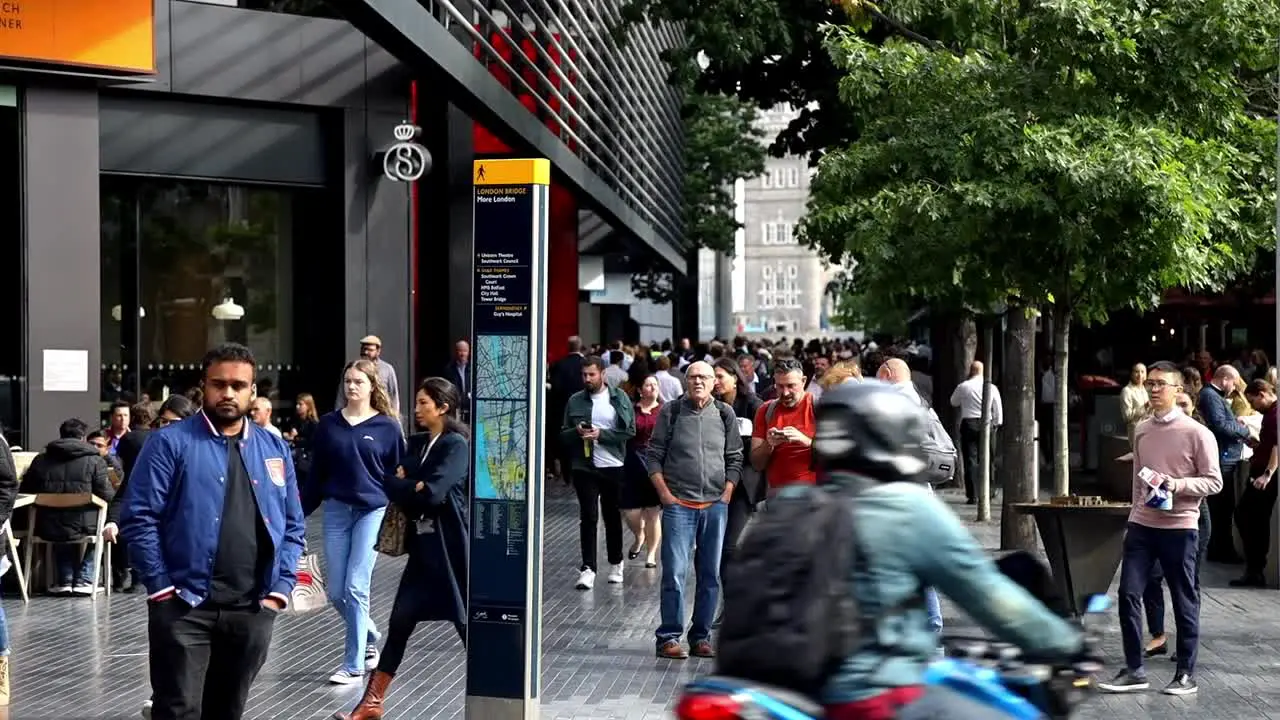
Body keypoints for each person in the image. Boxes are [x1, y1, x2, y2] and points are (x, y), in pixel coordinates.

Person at [809, 381, 1084, 718]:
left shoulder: (792, 504)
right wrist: (1067, 642)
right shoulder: (905, 508)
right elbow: (989, 594)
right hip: (874, 695)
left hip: (793, 695)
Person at [120, 342, 306, 720]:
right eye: (219, 384)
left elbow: (292, 525)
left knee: (228, 710)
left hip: (252, 609)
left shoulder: (273, 447)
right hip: (184, 606)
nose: (228, 393)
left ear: (252, 391)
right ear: (203, 386)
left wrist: (280, 590)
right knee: (178, 710)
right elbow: (139, 517)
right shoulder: (170, 443)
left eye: (239, 385)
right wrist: (160, 587)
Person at [335, 378, 470, 720]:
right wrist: (411, 484)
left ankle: (492, 691)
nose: (417, 408)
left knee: (466, 623)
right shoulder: (420, 443)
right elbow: (392, 483)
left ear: (442, 407)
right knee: (399, 622)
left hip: (452, 550)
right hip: (423, 551)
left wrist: (409, 483)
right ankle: (371, 703)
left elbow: (433, 493)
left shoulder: (456, 445)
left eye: (424, 403)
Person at [1100, 361, 1221, 696]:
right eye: (1150, 383)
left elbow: (1214, 482)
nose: (1153, 389)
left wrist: (1176, 485)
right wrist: (1133, 519)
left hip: (1181, 527)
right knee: (1128, 594)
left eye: (1160, 384)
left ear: (1178, 390)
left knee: (1184, 600)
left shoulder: (1198, 434)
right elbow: (1139, 478)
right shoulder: (1141, 429)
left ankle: (1185, 673)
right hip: (1142, 526)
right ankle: (1135, 669)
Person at [306, 358, 405, 685]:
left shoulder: (388, 427)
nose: (351, 386)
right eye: (347, 381)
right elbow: (316, 475)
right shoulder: (328, 425)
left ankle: (353, 665)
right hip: (336, 511)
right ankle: (369, 635)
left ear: (371, 387)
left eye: (358, 381)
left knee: (355, 587)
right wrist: (297, 513)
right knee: (335, 591)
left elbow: (398, 472)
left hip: (372, 511)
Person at [645, 361, 743, 659]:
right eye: (693, 377)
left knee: (710, 575)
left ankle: (700, 637)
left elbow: (735, 456)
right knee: (674, 572)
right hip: (679, 507)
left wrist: (727, 491)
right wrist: (665, 494)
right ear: (685, 382)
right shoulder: (671, 412)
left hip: (715, 506)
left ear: (715, 382)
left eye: (704, 377)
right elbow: (653, 456)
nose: (698, 382)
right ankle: (668, 638)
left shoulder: (725, 414)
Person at [559, 355, 636, 589]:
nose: (587, 379)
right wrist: (578, 432)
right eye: (584, 375)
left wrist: (602, 435)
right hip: (585, 466)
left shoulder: (619, 397)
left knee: (612, 516)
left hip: (613, 465)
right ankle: (588, 567)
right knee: (588, 517)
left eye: (591, 374)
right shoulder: (575, 400)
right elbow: (563, 433)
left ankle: (616, 563)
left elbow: (629, 431)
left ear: (602, 374)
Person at [19, 418, 114, 595]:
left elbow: (26, 490)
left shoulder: (40, 460)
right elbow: (107, 495)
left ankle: (65, 578)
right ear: (83, 438)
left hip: (46, 525)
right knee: (103, 524)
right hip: (86, 525)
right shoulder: (95, 461)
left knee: (59, 520)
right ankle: (85, 578)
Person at [1231, 379, 1278, 587]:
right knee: (1250, 519)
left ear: (1262, 394)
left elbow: (1277, 447)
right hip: (1260, 471)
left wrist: (1267, 474)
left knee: (1249, 517)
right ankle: (1254, 569)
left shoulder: (1275, 415)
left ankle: (1255, 569)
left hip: (1264, 477)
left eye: (1253, 402)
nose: (1253, 407)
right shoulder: (1270, 415)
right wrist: (1256, 444)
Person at [621, 375, 663, 568]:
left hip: (655, 463)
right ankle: (639, 536)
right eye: (648, 384)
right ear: (640, 390)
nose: (653, 388)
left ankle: (651, 554)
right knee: (631, 512)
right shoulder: (630, 409)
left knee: (653, 511)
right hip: (632, 461)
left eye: (655, 384)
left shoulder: (664, 410)